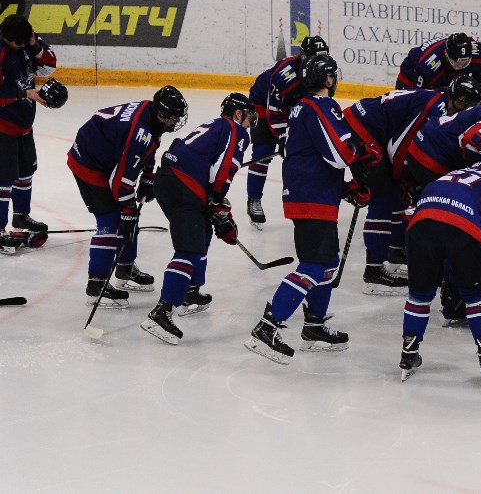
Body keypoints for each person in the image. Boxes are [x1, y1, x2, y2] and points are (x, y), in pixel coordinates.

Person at [245, 55, 381, 364]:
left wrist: (345, 189)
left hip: (311, 193)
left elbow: (314, 155)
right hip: (312, 197)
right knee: (313, 266)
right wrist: (362, 155)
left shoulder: (299, 108)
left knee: (328, 262)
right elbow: (338, 153)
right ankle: (268, 326)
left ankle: (314, 325)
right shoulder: (322, 106)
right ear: (330, 80)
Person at [140, 93, 255, 344]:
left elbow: (178, 146)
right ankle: (162, 311)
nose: (251, 122)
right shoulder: (236, 130)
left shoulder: (213, 126)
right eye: (249, 116)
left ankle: (190, 292)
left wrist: (214, 205)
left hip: (170, 180)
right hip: (184, 186)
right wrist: (217, 201)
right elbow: (223, 170)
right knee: (189, 248)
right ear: (238, 114)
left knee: (201, 232)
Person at [67, 86, 189, 307]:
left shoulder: (150, 114)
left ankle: (124, 268)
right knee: (111, 221)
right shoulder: (139, 133)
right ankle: (96, 285)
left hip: (104, 154)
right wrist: (128, 209)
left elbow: (148, 146)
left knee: (128, 217)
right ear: (161, 114)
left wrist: (148, 175)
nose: (175, 122)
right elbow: (121, 181)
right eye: (172, 118)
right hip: (89, 163)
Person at [398, 162, 481, 382]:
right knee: (475, 297)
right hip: (464, 227)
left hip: (420, 227)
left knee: (419, 296)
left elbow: (409, 213)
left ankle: (409, 352)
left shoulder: (447, 175)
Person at [342, 86, 450, 295]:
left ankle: (395, 251)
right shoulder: (435, 107)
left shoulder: (438, 100)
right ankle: (373, 271)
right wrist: (399, 176)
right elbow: (399, 145)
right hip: (361, 129)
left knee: (396, 193)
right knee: (383, 195)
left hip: (370, 128)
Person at [245, 35, 330, 227]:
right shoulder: (285, 77)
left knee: (302, 153)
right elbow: (274, 111)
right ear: (302, 57)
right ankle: (254, 199)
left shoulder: (326, 70)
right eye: (314, 57)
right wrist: (283, 137)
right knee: (263, 152)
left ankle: (305, 199)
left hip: (294, 104)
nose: (320, 62)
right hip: (264, 103)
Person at [0, 14, 60, 253]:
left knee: (25, 172)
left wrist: (34, 44)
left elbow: (49, 65)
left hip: (24, 124)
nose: (25, 47)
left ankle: (21, 217)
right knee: (4, 180)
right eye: (21, 44)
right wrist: (25, 94)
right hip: (3, 126)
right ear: (7, 38)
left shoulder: (26, 42)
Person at [396, 32, 481, 90]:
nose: (459, 66)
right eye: (456, 62)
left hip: (444, 73)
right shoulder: (427, 68)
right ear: (446, 54)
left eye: (464, 62)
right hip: (410, 77)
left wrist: (476, 86)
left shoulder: (480, 54)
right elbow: (418, 96)